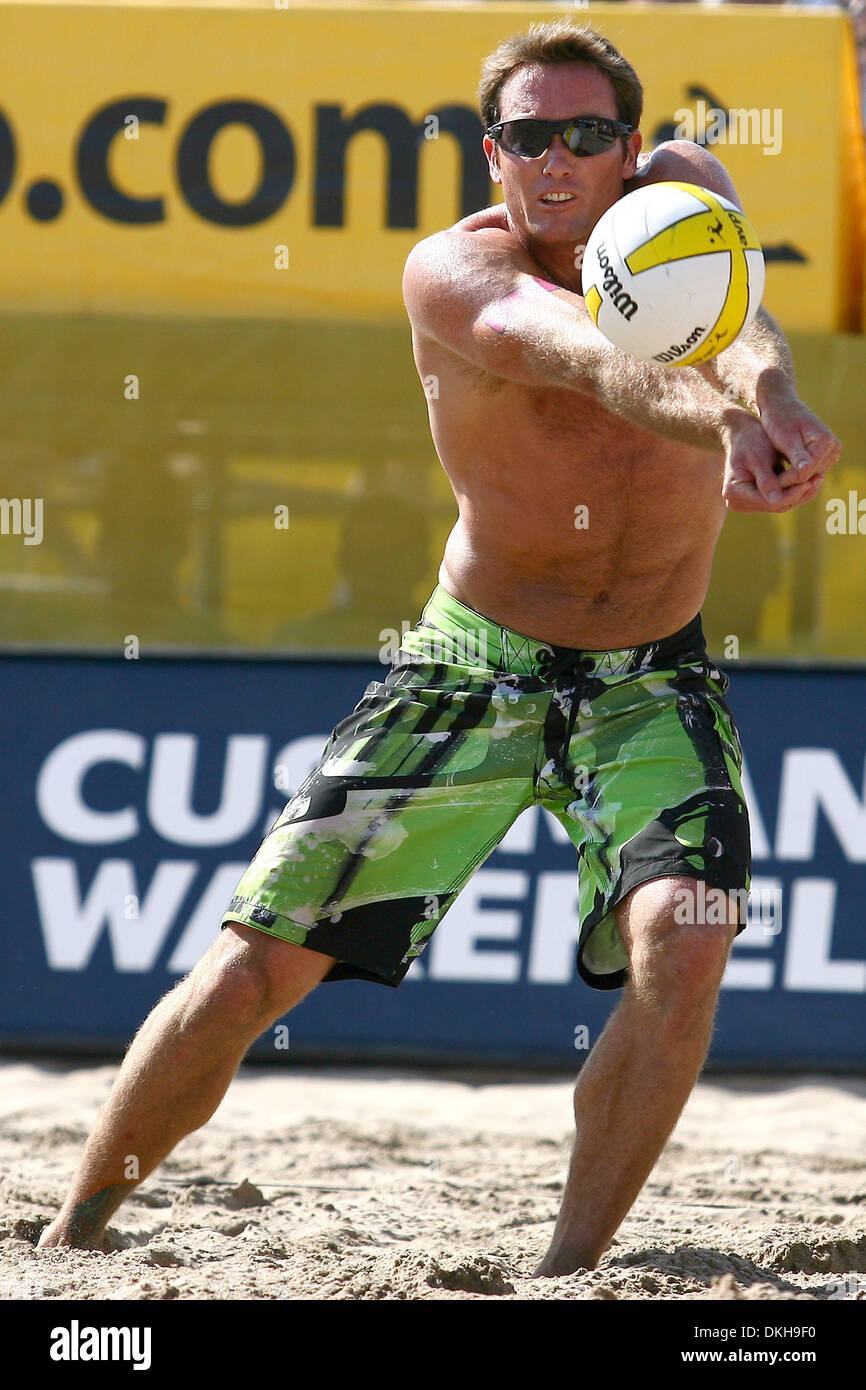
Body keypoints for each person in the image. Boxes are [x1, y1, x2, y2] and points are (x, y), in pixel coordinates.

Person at [38, 19, 840, 1274]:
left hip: (652, 671)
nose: (558, 158)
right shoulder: (453, 275)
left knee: (688, 938)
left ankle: (567, 1270)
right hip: (471, 667)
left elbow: (732, 315)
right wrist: (720, 423)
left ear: (629, 146)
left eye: (585, 133)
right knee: (254, 973)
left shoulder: (685, 193)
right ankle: (73, 1230)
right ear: (492, 154)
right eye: (529, 136)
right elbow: (590, 355)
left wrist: (772, 393)